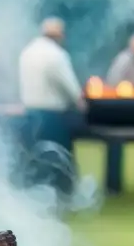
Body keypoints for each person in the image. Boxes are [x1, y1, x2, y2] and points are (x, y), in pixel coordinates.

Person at [18, 18, 86, 196]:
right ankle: (64, 194)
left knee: (35, 156)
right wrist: (81, 102)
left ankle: (34, 192)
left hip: (30, 112)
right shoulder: (56, 54)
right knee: (59, 158)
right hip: (52, 115)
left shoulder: (27, 52)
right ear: (59, 35)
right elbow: (68, 85)